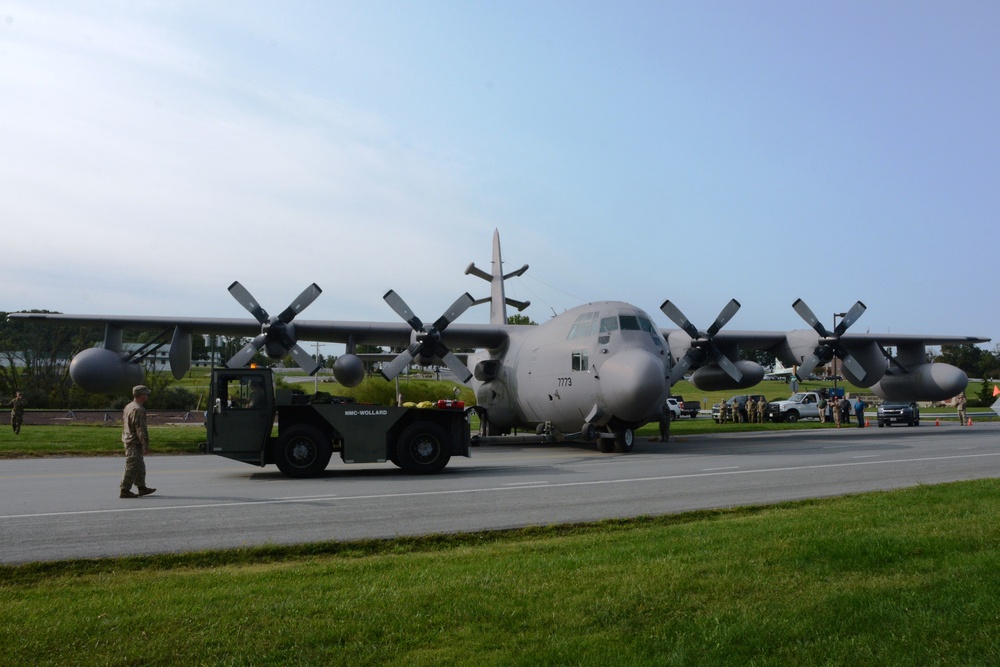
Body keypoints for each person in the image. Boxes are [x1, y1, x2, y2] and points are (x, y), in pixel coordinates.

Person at [120, 385, 156, 498]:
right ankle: (124, 490)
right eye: (145, 394)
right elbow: (140, 429)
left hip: (128, 438)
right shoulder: (139, 409)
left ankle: (141, 487)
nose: (147, 396)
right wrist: (145, 445)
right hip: (134, 441)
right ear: (141, 395)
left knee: (139, 465)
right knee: (132, 465)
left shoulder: (129, 406)